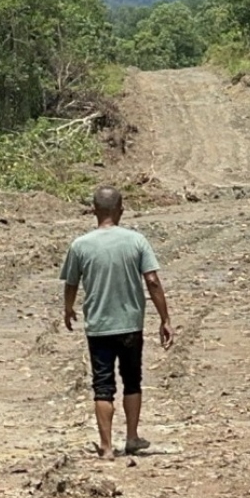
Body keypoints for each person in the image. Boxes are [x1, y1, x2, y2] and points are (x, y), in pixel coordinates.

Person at [61, 185, 174, 461]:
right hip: (130, 325)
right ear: (121, 210)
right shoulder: (136, 241)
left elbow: (71, 283)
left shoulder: (80, 245)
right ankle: (132, 437)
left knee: (102, 385)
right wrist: (165, 318)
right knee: (132, 381)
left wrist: (68, 308)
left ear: (94, 210)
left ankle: (107, 446)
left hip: (99, 326)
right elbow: (152, 281)